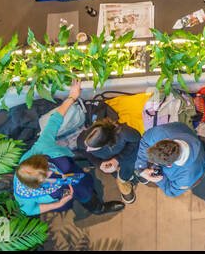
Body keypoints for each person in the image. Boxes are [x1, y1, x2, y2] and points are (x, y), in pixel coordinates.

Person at [13, 80, 124, 216]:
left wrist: (72, 97)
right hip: (60, 192)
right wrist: (59, 204)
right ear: (35, 185)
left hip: (72, 173)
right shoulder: (23, 193)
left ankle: (95, 204)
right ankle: (97, 209)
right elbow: (28, 210)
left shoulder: (43, 146)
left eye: (47, 168)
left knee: (85, 189)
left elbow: (54, 120)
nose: (51, 173)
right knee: (79, 196)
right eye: (46, 176)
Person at [78, 117, 142, 203]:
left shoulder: (123, 133)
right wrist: (99, 163)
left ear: (106, 143)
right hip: (106, 160)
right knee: (125, 170)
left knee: (127, 170)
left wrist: (117, 159)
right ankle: (127, 176)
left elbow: (137, 140)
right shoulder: (82, 140)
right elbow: (84, 151)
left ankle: (126, 179)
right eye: (87, 145)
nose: (88, 149)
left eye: (92, 148)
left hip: (126, 155)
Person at [136, 122, 205, 197]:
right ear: (166, 139)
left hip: (195, 168)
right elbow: (145, 140)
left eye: (156, 163)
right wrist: (141, 168)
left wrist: (158, 179)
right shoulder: (161, 132)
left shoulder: (186, 177)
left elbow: (170, 191)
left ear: (169, 166)